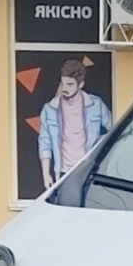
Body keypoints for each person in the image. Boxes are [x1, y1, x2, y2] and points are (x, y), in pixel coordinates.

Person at [38, 57, 113, 190]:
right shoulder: (50, 109)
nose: (65, 88)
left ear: (81, 85)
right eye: (63, 84)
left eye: (70, 84)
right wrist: (46, 174)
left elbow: (113, 132)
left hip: (89, 170)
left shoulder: (96, 105)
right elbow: (45, 142)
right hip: (62, 171)